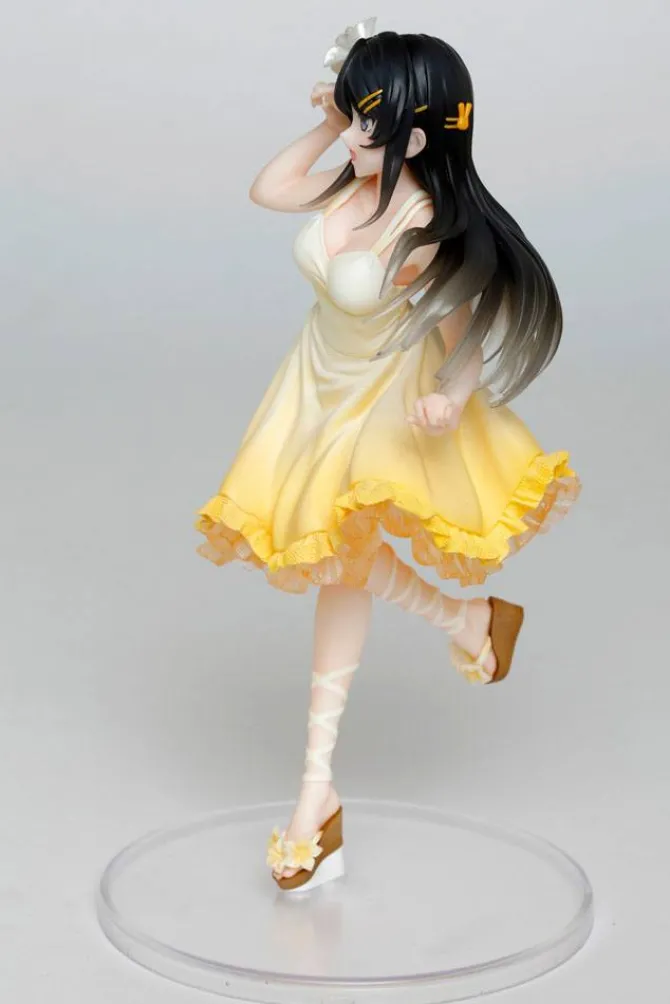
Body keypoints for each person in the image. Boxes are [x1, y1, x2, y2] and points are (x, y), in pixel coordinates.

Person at [194, 24, 582, 892]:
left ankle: (315, 797)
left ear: (415, 135)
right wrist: (335, 125)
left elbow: (464, 331)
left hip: (378, 398)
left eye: (371, 120)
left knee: (339, 558)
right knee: (339, 559)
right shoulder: (349, 179)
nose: (355, 135)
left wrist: (451, 396)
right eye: (354, 113)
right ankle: (468, 623)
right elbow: (269, 188)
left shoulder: (425, 222)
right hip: (312, 388)